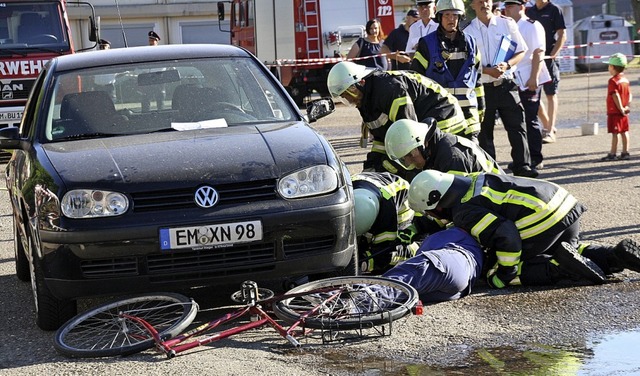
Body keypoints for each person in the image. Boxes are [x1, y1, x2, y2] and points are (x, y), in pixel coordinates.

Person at [407, 169, 640, 287]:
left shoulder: (464, 211)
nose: (433, 217)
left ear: (436, 202)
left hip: (542, 221)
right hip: (564, 205)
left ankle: (559, 269)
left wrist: (502, 275)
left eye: (429, 212)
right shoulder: (471, 179)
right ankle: (615, 256)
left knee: (509, 263)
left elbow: (506, 236)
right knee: (573, 250)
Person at [352, 172, 485, 303]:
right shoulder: (456, 221)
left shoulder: (464, 226)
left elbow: (389, 253)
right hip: (457, 280)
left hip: (455, 261)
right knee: (405, 295)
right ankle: (355, 300)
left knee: (404, 278)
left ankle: (356, 302)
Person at [326, 61, 471, 181]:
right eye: (343, 97)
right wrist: (370, 170)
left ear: (361, 82)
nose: (349, 100)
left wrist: (389, 169)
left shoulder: (389, 90)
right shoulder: (365, 100)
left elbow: (409, 138)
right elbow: (381, 139)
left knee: (422, 165)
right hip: (421, 119)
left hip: (443, 115)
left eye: (349, 93)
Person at [464, 0, 538, 178]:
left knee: (517, 126)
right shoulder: (467, 31)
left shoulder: (507, 23)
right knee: (484, 132)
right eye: (479, 1)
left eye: (487, 0)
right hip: (483, 87)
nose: (484, 4)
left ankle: (523, 166)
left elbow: (521, 51)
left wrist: (507, 64)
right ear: (472, 5)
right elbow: (466, 62)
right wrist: (486, 70)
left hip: (507, 84)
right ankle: (492, 171)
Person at [411, 0, 483, 142]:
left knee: (471, 158)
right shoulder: (426, 44)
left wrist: (481, 109)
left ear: (460, 17)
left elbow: (478, 80)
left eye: (455, 16)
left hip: (469, 117)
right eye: (447, 15)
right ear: (439, 17)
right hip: (441, 116)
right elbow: (416, 80)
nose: (451, 19)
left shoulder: (471, 43)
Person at [382, 226, 484, 303]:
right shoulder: (476, 247)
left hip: (450, 263)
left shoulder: (455, 232)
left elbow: (424, 253)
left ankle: (367, 299)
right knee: (403, 296)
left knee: (392, 284)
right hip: (461, 286)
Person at [503, 0, 547, 170]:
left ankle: (536, 157)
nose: (507, 9)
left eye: (511, 6)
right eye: (506, 6)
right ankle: (522, 157)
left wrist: (534, 77)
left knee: (530, 118)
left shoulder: (531, 26)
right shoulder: (507, 25)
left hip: (529, 77)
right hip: (513, 78)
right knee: (516, 121)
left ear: (521, 7)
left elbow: (538, 53)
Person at [352, 172, 420, 273]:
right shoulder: (346, 197)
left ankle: (417, 251)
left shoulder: (387, 210)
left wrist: (364, 262)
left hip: (402, 209)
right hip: (373, 186)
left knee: (390, 252)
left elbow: (384, 251)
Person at [385, 118, 503, 175]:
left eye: (410, 155)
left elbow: (457, 202)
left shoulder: (451, 157)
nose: (409, 161)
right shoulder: (433, 154)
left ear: (424, 145)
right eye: (404, 159)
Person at [526, 0, 567, 144]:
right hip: (533, 58)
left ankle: (550, 131)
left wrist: (553, 54)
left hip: (549, 57)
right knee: (532, 92)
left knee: (551, 94)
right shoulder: (529, 11)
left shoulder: (555, 9)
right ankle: (549, 125)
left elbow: (562, 34)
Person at [600, 53, 632, 161]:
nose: (608, 68)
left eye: (609, 66)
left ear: (613, 67)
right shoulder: (625, 80)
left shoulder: (613, 81)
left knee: (615, 133)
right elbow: (629, 94)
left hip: (615, 111)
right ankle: (625, 151)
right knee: (624, 131)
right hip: (624, 110)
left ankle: (612, 153)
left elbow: (615, 95)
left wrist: (620, 108)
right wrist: (626, 106)